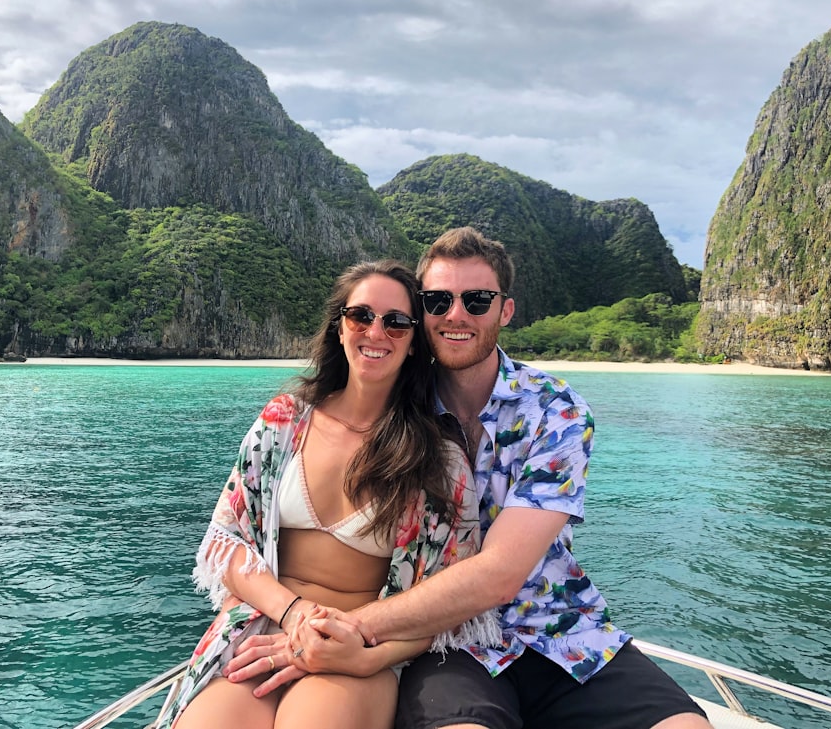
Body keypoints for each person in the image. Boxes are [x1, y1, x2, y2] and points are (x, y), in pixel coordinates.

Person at [295, 228, 714, 729]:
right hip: (445, 639)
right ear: (422, 310)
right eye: (438, 300)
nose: (456, 315)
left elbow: (500, 573)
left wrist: (350, 626)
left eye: (476, 300)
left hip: (559, 630)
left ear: (505, 311)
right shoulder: (396, 408)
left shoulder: (555, 410)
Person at [160, 259, 498, 729]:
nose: (376, 332)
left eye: (397, 322)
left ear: (414, 342)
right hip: (261, 627)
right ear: (340, 327)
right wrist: (293, 614)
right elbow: (226, 539)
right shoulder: (284, 423)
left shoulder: (437, 461)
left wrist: (359, 650)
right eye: (361, 316)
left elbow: (447, 601)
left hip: (360, 645)